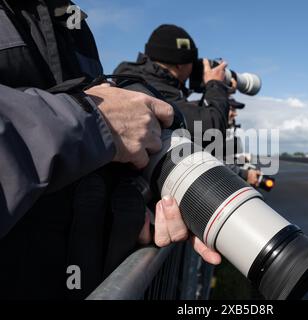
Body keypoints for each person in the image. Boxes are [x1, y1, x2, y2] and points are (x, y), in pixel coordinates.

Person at [0, 0, 219, 299]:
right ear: (182, 64)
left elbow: (86, 160)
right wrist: (94, 121)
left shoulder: (71, 22)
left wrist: (147, 191)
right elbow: (90, 125)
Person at [114, 24, 260, 185]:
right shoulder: (154, 93)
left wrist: (213, 89)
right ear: (180, 64)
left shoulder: (138, 81)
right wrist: (215, 85)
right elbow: (211, 132)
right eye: (192, 62)